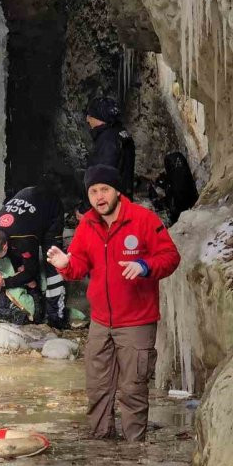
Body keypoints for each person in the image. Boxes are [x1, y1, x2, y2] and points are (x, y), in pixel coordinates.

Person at [47, 165, 180, 441]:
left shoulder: (142, 219)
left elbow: (170, 256)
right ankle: (102, 448)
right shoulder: (88, 224)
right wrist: (65, 264)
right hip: (100, 322)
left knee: (132, 389)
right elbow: (80, 265)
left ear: (117, 190)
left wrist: (145, 265)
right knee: (97, 388)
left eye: (104, 189)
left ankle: (134, 452)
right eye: (93, 191)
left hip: (136, 321)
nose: (99, 197)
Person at [0, 185, 68, 328]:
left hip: (50, 207)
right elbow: (13, 257)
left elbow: (30, 270)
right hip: (26, 197)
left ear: (5, 246)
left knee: (52, 263)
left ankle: (56, 317)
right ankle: (36, 293)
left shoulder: (24, 238)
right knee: (20, 265)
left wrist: (5, 283)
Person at [77, 96, 135, 217]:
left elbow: (100, 178)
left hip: (108, 209)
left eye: (90, 115)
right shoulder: (121, 133)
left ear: (99, 118)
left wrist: (86, 211)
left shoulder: (107, 142)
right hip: (122, 203)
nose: (87, 119)